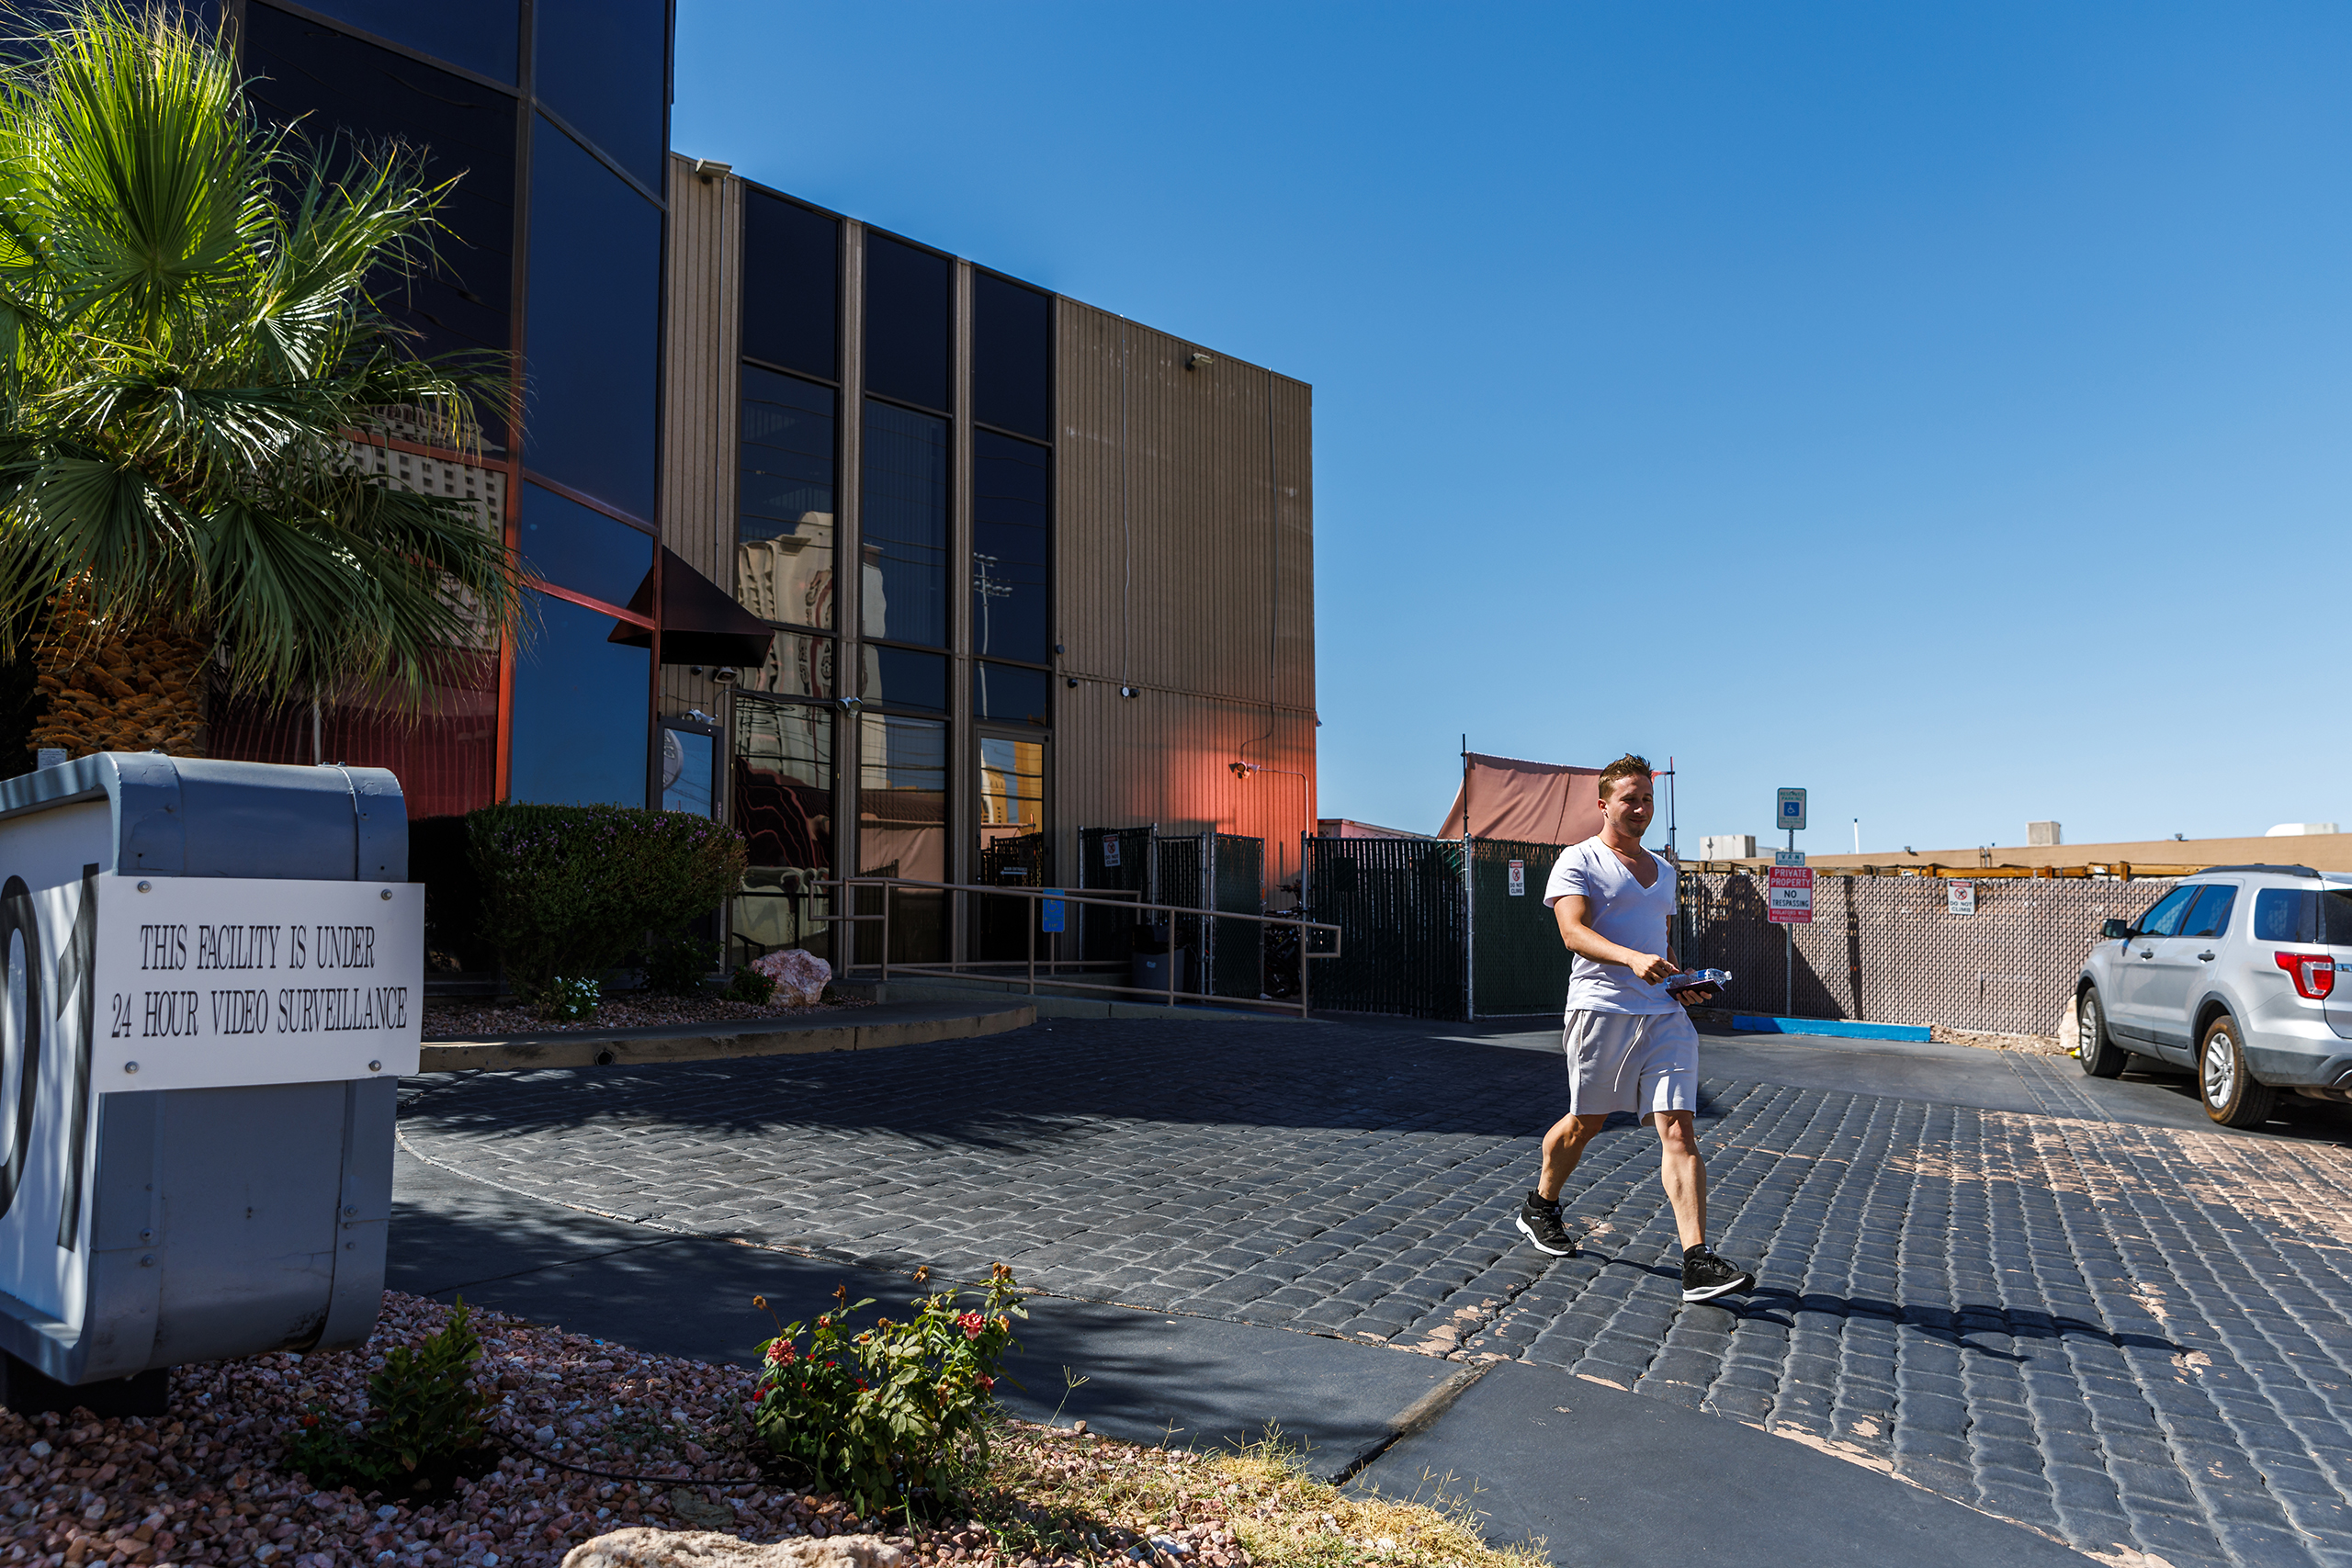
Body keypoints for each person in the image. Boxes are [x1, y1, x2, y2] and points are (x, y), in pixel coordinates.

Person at [1513, 754, 1757, 1304]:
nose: (1641, 808)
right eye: (1630, 799)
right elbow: (1573, 933)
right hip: (1600, 1011)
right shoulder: (1579, 861)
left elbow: (1660, 944)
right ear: (1604, 804)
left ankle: (1697, 1259)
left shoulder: (1665, 870)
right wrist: (1629, 959)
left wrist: (1681, 981)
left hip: (1661, 1016)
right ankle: (1541, 1205)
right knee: (1585, 1123)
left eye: (1647, 799)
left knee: (1678, 1130)